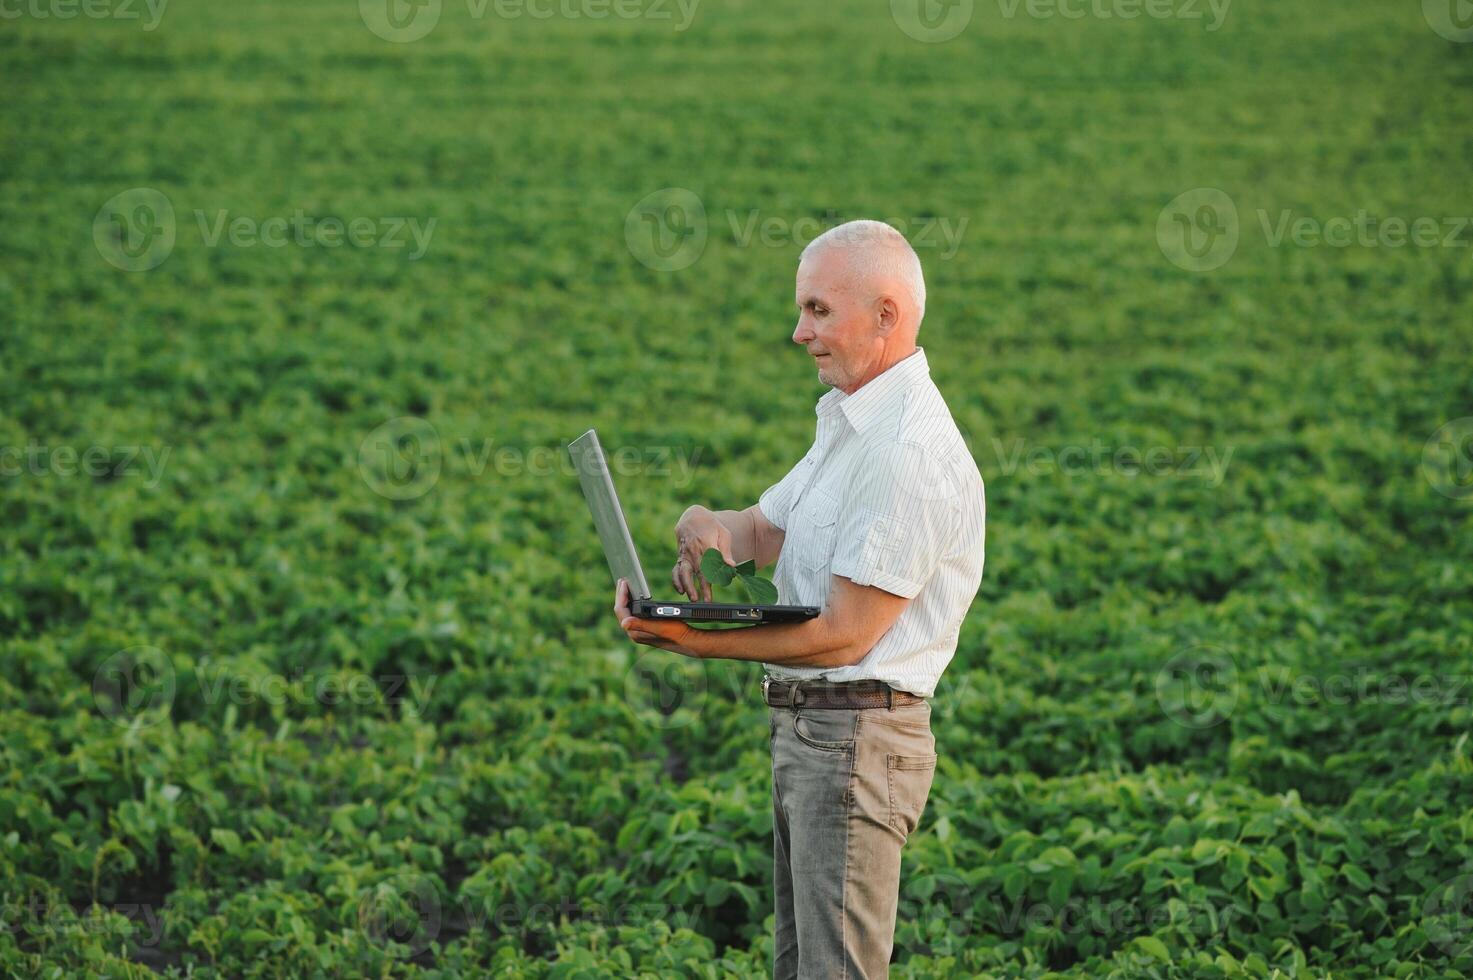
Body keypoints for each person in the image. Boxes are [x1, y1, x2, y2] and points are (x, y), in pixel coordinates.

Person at [614, 219, 986, 978]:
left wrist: (693, 639)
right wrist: (706, 527)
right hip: (819, 737)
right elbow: (762, 528)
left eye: (818, 310)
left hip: (856, 744)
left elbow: (846, 635)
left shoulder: (903, 452)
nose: (797, 332)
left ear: (885, 315)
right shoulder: (852, 425)